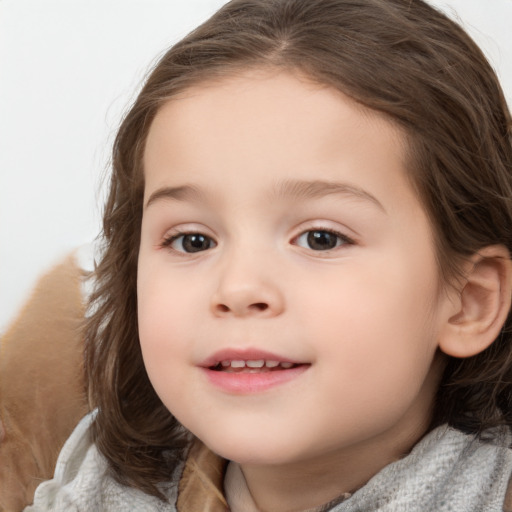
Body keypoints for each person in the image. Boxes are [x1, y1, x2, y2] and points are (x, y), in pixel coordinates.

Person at [24, 0, 512, 510]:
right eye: (193, 240)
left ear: (468, 301)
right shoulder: (93, 485)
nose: (238, 288)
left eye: (321, 238)